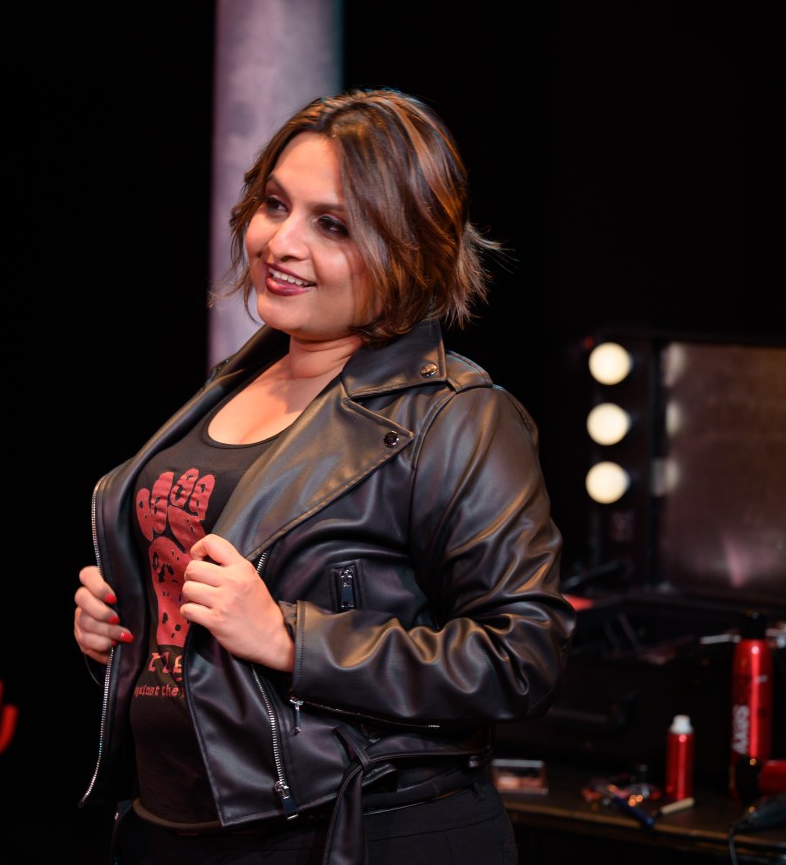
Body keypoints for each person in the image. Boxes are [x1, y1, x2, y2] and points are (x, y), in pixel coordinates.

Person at [72, 87, 575, 865]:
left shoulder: (457, 416)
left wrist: (292, 639)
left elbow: (521, 657)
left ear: (408, 249)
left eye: (332, 224)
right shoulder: (231, 386)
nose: (281, 241)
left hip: (355, 832)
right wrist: (124, 631)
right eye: (275, 205)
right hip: (174, 824)